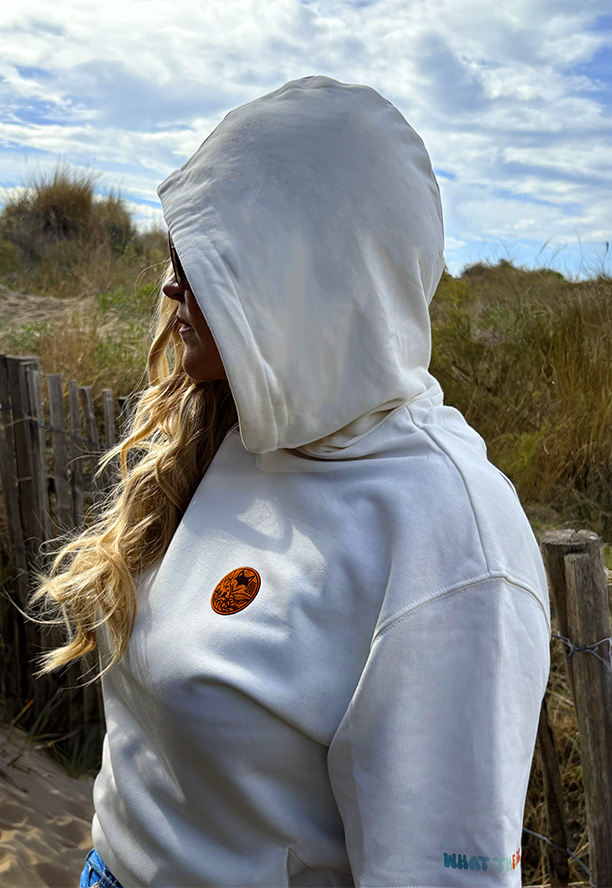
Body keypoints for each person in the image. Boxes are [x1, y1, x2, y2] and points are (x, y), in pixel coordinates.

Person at [36, 76, 551, 887]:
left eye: (212, 258)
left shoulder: (447, 541)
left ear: (308, 272)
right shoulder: (241, 422)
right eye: (179, 251)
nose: (171, 285)